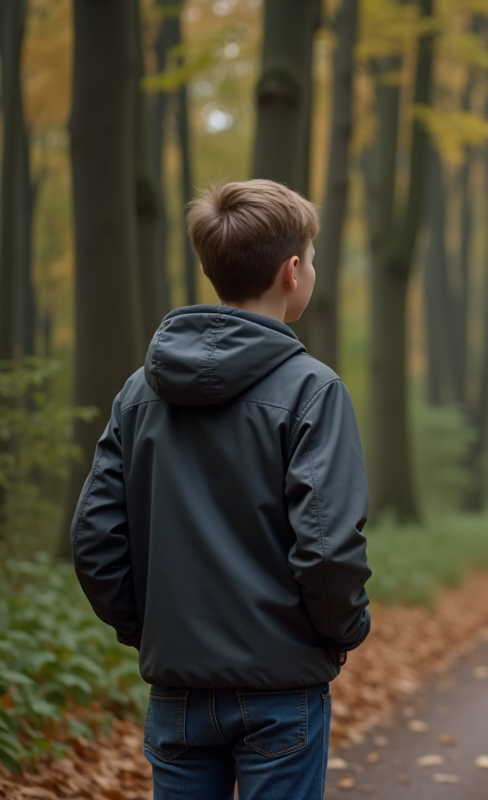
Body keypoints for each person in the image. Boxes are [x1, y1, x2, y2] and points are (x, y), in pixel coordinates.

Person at [71, 179, 371, 800]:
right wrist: (342, 631)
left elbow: (95, 540)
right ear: (293, 271)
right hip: (282, 688)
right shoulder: (313, 390)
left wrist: (156, 631)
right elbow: (326, 547)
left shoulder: (138, 392)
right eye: (313, 259)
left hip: (177, 691)